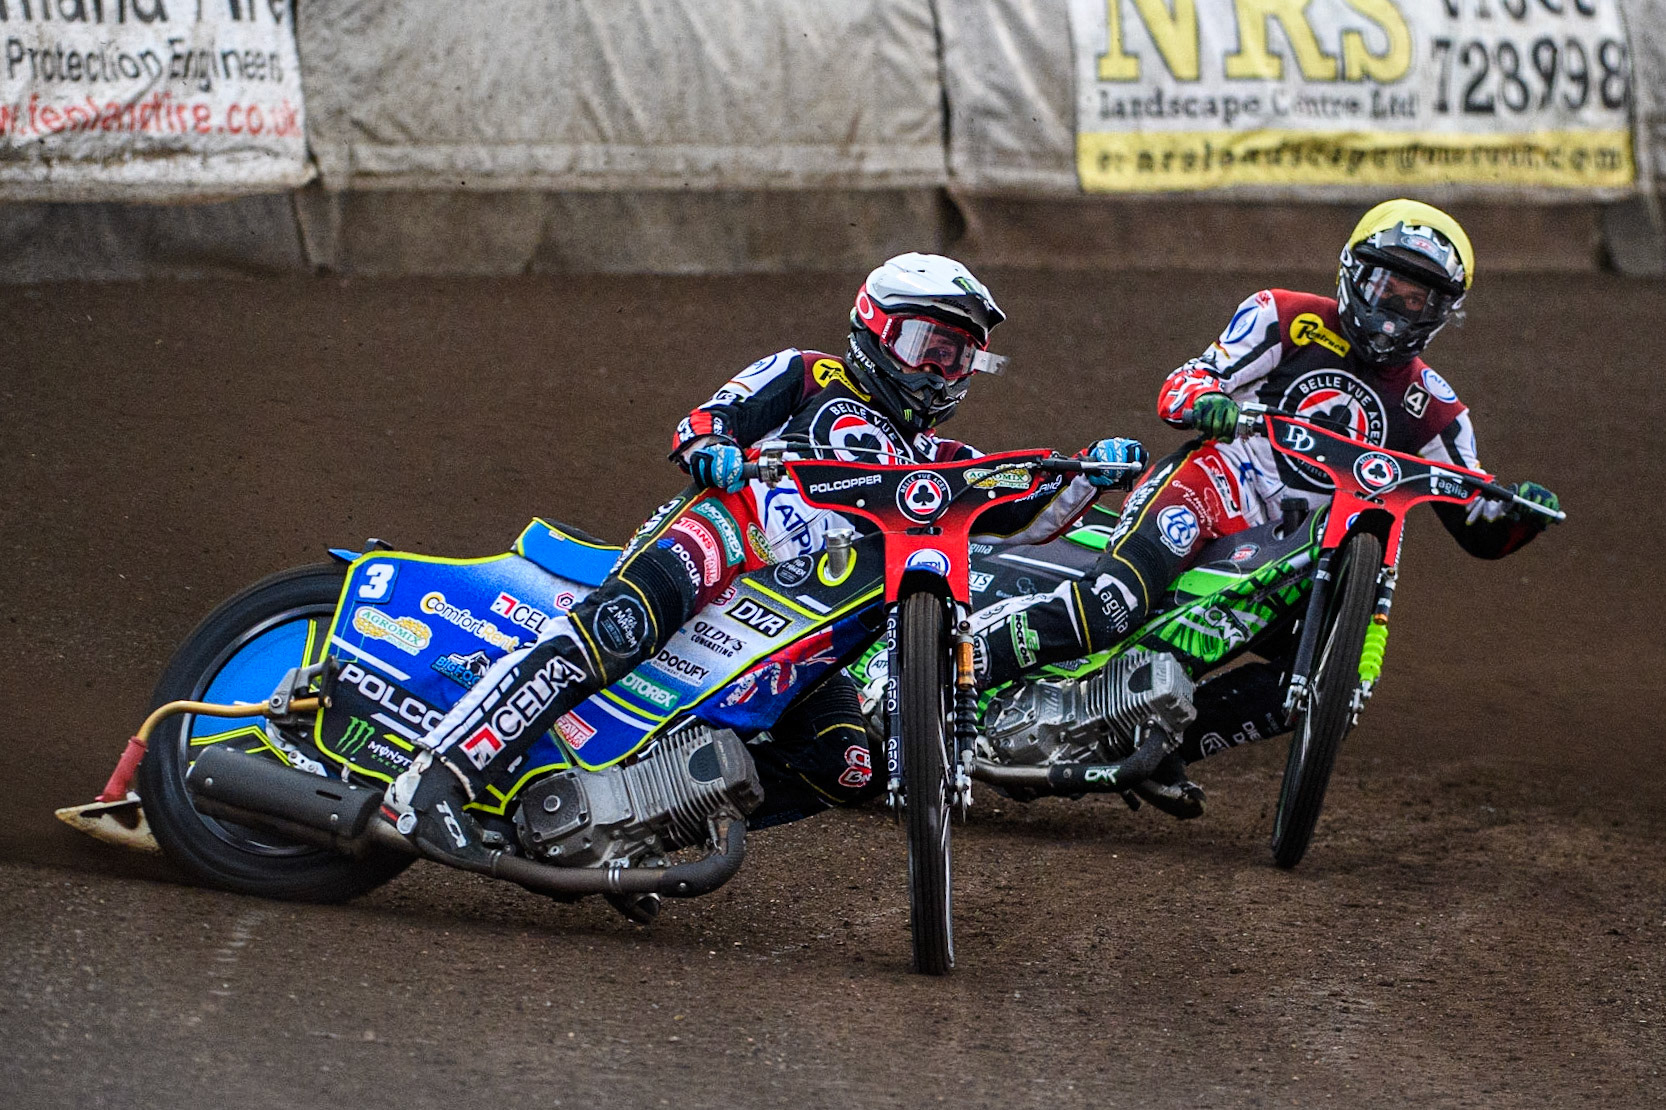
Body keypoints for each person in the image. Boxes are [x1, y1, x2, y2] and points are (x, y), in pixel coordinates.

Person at [383, 252, 1147, 867]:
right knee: (615, 630)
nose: (935, 372)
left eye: (957, 361)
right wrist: (711, 448)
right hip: (728, 539)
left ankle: (641, 824)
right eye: (925, 347)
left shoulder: (943, 461)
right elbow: (709, 418)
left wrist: (1093, 472)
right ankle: (432, 779)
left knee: (848, 763)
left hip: (809, 627)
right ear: (875, 329)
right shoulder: (810, 373)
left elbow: (1029, 516)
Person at [967, 199, 1561, 813]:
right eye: (1386, 286)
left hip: (1301, 553)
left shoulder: (1436, 408)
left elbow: (1477, 521)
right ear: (1353, 274)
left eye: (1416, 300)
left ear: (1441, 313)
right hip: (1213, 488)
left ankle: (1160, 747)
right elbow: (1184, 385)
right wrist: (1209, 402)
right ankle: (967, 667)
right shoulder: (1282, 315)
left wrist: (1521, 515)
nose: (1393, 311)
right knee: (1114, 603)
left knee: (1335, 681)